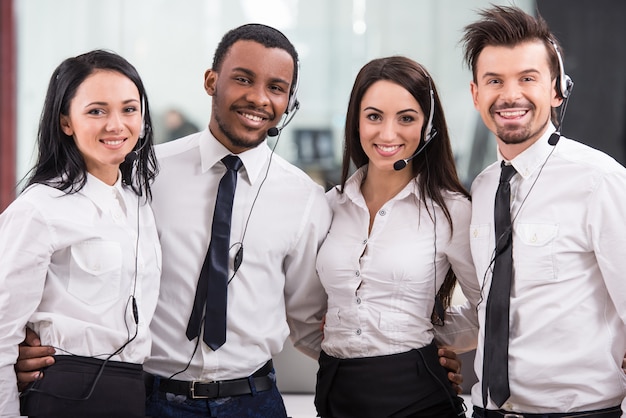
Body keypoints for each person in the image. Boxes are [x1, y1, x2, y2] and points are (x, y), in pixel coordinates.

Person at [14, 24, 465, 417]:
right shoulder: (145, 172)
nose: (259, 98)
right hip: (151, 398)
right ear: (212, 81)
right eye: (243, 79)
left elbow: (313, 317)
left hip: (255, 400)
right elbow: (96, 267)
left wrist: (408, 353)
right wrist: (45, 348)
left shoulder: (307, 199)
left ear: (289, 101)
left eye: (276, 87)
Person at [451, 5, 626, 417]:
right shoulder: (482, 187)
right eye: (494, 81)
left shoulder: (598, 180)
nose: (510, 95)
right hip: (487, 410)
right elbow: (485, 306)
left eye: (527, 78)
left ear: (557, 89)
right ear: (477, 94)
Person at [313, 56, 481, 418]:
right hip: (334, 388)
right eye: (374, 116)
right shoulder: (329, 206)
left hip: (416, 392)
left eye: (406, 118)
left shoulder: (452, 211)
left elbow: (491, 308)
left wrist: (426, 340)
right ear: (356, 121)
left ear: (428, 126)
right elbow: (308, 310)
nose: (388, 134)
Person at [0, 49, 161, 417]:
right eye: (96, 111)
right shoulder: (39, 209)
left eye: (129, 109)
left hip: (133, 391)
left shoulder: (138, 205)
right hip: (68, 391)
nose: (116, 125)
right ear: (66, 122)